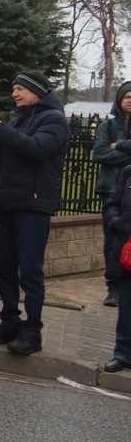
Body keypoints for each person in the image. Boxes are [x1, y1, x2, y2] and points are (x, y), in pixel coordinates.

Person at [0, 71, 69, 355]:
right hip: (9, 204)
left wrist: (1, 128)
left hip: (34, 205)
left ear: (36, 91)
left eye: (19, 89)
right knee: (4, 268)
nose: (14, 94)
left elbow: (36, 149)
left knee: (30, 271)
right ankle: (9, 323)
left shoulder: (54, 119)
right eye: (13, 89)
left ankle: (32, 331)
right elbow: (2, 159)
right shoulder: (19, 120)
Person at [92, 80, 131, 308]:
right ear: (119, 99)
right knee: (112, 239)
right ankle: (113, 288)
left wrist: (120, 145)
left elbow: (111, 151)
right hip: (110, 190)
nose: (130, 101)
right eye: (127, 96)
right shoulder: (106, 126)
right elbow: (100, 153)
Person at [100, 163, 131, 372]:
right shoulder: (128, 172)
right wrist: (117, 223)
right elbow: (112, 204)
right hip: (128, 246)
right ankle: (123, 353)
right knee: (127, 303)